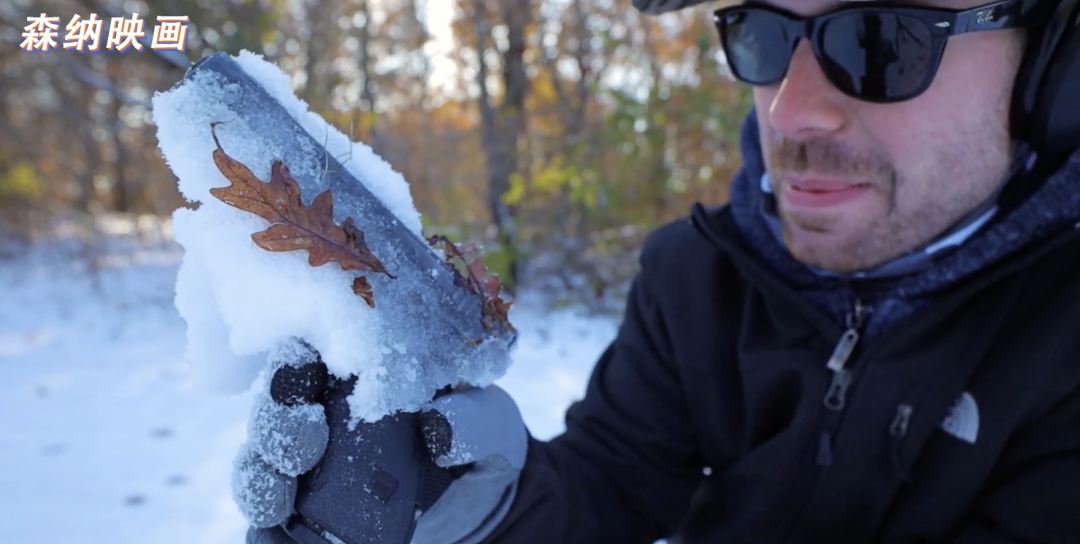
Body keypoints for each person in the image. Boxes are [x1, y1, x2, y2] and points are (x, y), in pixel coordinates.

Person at [233, 0, 1080, 542]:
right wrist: (480, 510)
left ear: (1049, 67)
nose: (792, 108)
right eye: (764, 34)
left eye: (879, 40)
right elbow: (614, 483)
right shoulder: (698, 277)